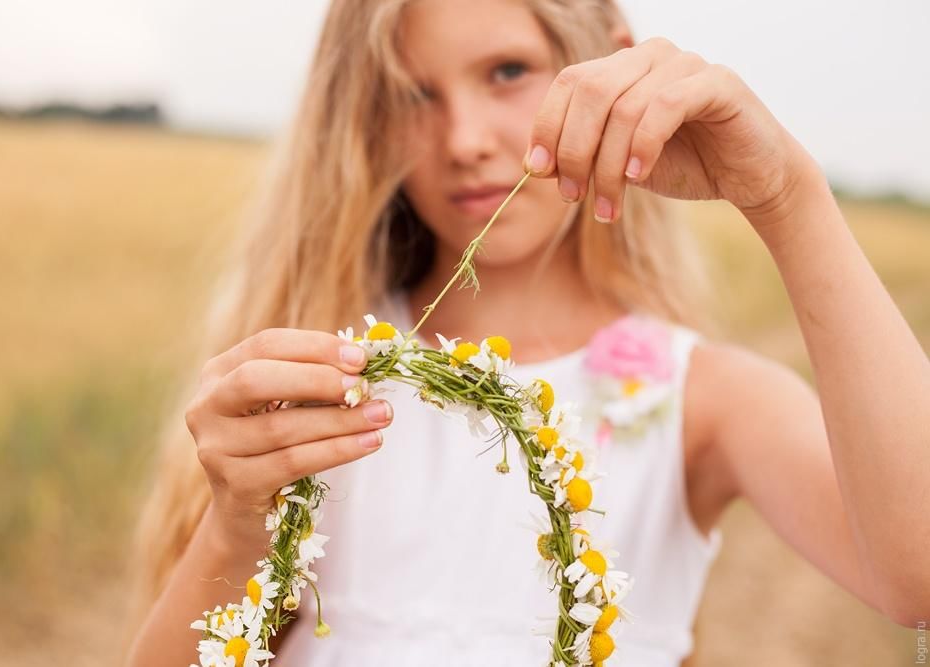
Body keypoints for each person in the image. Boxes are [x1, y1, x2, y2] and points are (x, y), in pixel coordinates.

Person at [124, 1, 930, 665]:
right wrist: (235, 524)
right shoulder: (321, 383)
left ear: (614, 63)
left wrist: (785, 194)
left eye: (507, 72)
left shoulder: (696, 396)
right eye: (411, 91)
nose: (464, 139)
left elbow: (919, 575)